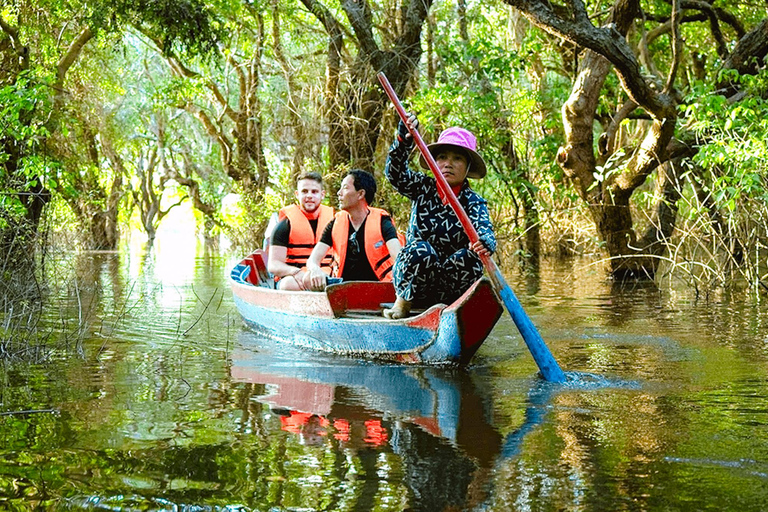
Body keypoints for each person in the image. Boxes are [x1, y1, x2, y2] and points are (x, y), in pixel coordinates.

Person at [382, 114, 496, 319]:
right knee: (421, 250)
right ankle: (403, 304)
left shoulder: (473, 201)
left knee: (470, 258)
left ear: (468, 167)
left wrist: (485, 242)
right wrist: (403, 140)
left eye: (457, 158)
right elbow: (395, 173)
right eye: (442, 157)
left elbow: (484, 229)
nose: (448, 164)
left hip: (451, 287)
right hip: (417, 281)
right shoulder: (421, 187)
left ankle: (454, 312)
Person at [304, 169, 402, 290]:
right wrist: (315, 270)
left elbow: (399, 258)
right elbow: (312, 260)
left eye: (345, 188)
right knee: (308, 277)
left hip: (378, 286)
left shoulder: (382, 221)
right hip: (343, 287)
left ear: (360, 194)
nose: (339, 193)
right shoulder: (336, 222)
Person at [268, 172, 335, 290]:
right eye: (304, 191)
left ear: (322, 194)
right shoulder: (284, 225)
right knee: (287, 285)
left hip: (327, 274)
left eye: (314, 192)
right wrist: (295, 272)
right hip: (295, 278)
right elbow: (273, 265)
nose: (309, 196)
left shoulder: (334, 221)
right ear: (297, 194)